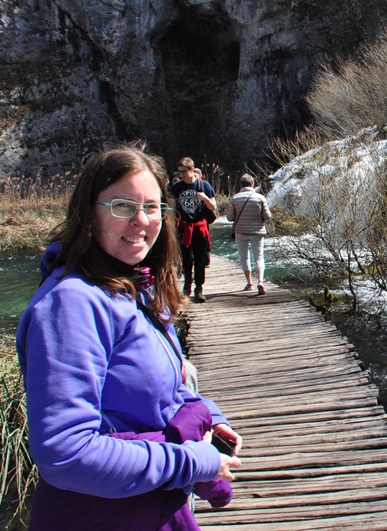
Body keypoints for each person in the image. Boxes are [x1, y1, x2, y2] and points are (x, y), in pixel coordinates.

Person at [16, 143, 242, 530]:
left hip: (150, 506)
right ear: (89, 214)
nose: (141, 220)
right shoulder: (71, 304)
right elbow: (66, 453)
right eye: (122, 206)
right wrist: (195, 461)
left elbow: (164, 385)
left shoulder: (137, 287)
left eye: (152, 207)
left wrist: (210, 416)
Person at [169, 156, 217, 302]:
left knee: (200, 260)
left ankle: (199, 289)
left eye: (183, 171)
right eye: (179, 172)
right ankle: (187, 285)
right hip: (184, 228)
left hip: (199, 227)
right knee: (186, 259)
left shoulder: (204, 186)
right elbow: (171, 209)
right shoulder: (176, 187)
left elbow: (214, 207)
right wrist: (171, 225)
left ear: (191, 170)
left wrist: (205, 199)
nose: (181, 175)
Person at [226, 173, 271, 294]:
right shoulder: (260, 197)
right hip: (257, 231)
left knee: (244, 257)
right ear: (253, 184)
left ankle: (249, 283)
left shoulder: (235, 198)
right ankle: (260, 281)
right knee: (259, 256)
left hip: (241, 231)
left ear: (241, 185)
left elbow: (230, 218)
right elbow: (267, 216)